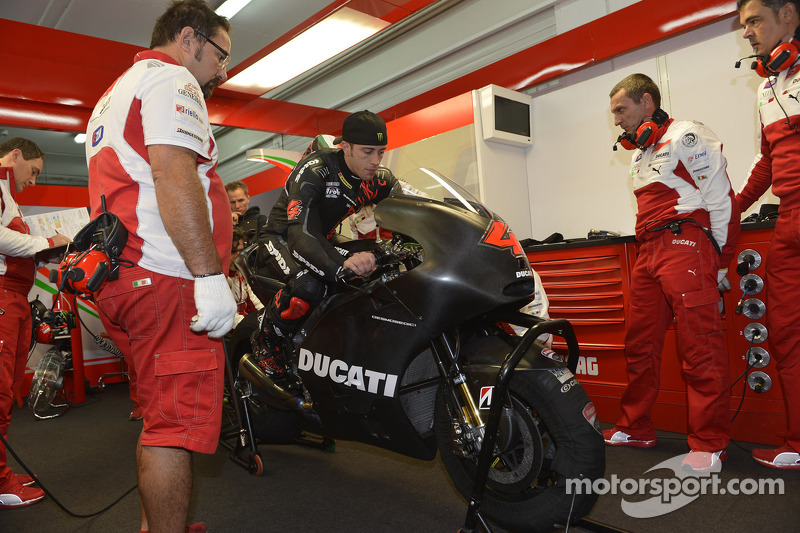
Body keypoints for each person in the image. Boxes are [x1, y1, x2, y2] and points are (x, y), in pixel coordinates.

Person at [84, 1, 237, 531]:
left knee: (159, 415)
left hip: (125, 275)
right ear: (189, 38)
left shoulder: (117, 91)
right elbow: (175, 175)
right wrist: (210, 276)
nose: (222, 70)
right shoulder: (173, 80)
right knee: (174, 425)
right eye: (220, 55)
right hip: (165, 276)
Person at [604, 74, 741, 472]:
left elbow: (722, 200)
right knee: (639, 343)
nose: (616, 120)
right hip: (648, 250)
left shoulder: (688, 136)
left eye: (620, 110)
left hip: (686, 244)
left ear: (646, 102)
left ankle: (710, 443)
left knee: (700, 346)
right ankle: (636, 426)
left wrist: (719, 261)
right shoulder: (638, 153)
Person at [256, 110, 400, 379]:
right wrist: (339, 266)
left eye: (381, 152)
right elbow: (301, 235)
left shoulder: (379, 178)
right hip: (282, 237)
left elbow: (413, 206)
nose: (375, 161)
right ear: (345, 147)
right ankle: (267, 340)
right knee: (308, 285)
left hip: (322, 238)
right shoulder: (316, 169)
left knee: (382, 261)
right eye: (367, 151)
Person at [737, 0, 800, 470]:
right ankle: (797, 443)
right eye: (744, 25)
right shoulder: (766, 88)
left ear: (789, 14)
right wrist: (732, 209)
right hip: (788, 221)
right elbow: (767, 161)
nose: (747, 33)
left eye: (754, 21)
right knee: (785, 332)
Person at [0, 138, 70, 508]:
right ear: (15, 157)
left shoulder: (7, 196)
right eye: (33, 170)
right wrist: (45, 241)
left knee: (8, 386)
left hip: (14, 299)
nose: (34, 180)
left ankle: (1, 473)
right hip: (2, 299)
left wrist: (46, 252)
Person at [228, 226, 263, 327]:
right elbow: (230, 317)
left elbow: (253, 301)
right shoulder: (220, 279)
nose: (238, 255)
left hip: (244, 326)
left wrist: (265, 318)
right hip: (232, 331)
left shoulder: (240, 273)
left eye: (240, 251)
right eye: (233, 251)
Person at [226, 181, 268, 245]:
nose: (237, 206)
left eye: (240, 200)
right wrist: (229, 225)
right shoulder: (226, 224)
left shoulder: (261, 220)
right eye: (232, 202)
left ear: (248, 199)